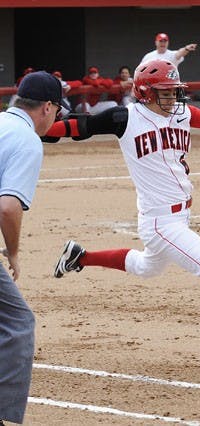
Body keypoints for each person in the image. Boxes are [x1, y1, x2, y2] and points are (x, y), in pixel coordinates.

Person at [45, 59, 200, 361]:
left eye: (175, 90)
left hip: (178, 216)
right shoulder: (125, 117)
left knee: (148, 267)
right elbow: (78, 126)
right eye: (166, 91)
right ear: (146, 92)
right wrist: (38, 127)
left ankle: (79, 257)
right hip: (160, 221)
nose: (173, 97)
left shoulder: (181, 113)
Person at [0, 71, 64, 424]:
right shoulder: (27, 140)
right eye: (57, 111)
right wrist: (13, 251)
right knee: (18, 323)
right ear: (47, 108)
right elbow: (8, 206)